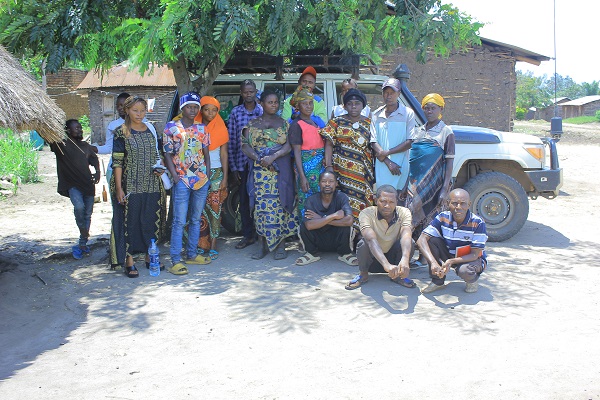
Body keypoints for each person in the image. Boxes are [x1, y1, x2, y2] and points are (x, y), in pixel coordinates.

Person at [112, 96, 167, 278]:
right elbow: (117, 162)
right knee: (131, 224)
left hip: (152, 184)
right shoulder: (121, 132)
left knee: (149, 222)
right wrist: (119, 189)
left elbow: (157, 154)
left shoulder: (150, 129)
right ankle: (129, 261)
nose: (139, 114)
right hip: (131, 186)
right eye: (135, 110)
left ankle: (149, 256)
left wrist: (159, 169)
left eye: (142, 110)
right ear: (127, 110)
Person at [242, 90, 299, 260]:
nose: (273, 105)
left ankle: (281, 245)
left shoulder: (284, 124)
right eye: (270, 102)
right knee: (261, 208)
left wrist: (273, 156)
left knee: (281, 204)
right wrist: (260, 159)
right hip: (260, 172)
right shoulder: (252, 124)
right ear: (261, 103)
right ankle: (262, 244)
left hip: (280, 169)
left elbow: (288, 146)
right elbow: (245, 146)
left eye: (276, 102)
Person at [163, 92, 212, 275]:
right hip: (182, 179)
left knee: (195, 218)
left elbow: (205, 151)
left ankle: (191, 254)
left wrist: (207, 172)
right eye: (189, 107)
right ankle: (175, 260)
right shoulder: (171, 128)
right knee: (179, 220)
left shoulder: (202, 128)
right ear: (182, 108)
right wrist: (175, 176)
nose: (193, 110)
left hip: (200, 179)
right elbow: (167, 153)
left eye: (195, 107)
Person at [407, 93, 455, 266]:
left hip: (434, 186)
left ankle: (424, 258)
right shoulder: (419, 131)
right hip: (416, 184)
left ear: (441, 109)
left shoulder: (446, 132)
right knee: (412, 218)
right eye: (426, 107)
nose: (429, 111)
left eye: (433, 108)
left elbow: (449, 162)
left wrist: (444, 189)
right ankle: (410, 255)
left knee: (429, 220)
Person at [321, 88, 375, 230]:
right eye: (350, 103)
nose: (353, 106)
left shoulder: (370, 123)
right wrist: (329, 166)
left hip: (363, 173)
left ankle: (360, 233)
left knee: (362, 201)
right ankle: (345, 235)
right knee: (344, 201)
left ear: (363, 106)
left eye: (357, 103)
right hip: (342, 172)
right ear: (344, 106)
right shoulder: (336, 122)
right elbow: (328, 144)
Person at [345, 184, 415, 290]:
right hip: (373, 261)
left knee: (411, 241)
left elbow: (406, 233)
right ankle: (363, 274)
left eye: (391, 202)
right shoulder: (366, 213)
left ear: (396, 202)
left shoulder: (404, 212)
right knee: (363, 243)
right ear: (376, 200)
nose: (387, 206)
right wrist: (386, 265)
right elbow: (370, 238)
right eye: (383, 201)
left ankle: (398, 276)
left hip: (394, 261)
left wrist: (405, 259)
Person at [417, 188, 487, 294]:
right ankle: (437, 281)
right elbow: (421, 239)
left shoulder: (478, 223)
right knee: (430, 240)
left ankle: (472, 280)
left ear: (469, 204)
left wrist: (451, 261)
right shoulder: (442, 217)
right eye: (454, 203)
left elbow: (474, 255)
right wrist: (433, 263)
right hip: (450, 254)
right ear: (447, 203)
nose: (458, 207)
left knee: (465, 271)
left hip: (470, 259)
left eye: (463, 203)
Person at [50, 119, 100, 259]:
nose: (80, 130)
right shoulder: (61, 145)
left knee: (88, 214)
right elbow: (48, 136)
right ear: (68, 131)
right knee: (79, 207)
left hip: (88, 185)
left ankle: (83, 243)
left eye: (80, 128)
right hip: (73, 185)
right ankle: (83, 230)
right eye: (76, 128)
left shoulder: (85, 146)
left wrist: (97, 172)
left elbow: (94, 160)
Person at [228, 79, 263, 250]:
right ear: (241, 93)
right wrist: (234, 168)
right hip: (242, 164)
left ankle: (262, 235)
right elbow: (232, 141)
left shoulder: (263, 110)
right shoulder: (236, 112)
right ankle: (247, 235)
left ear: (256, 91)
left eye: (251, 91)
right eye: (245, 92)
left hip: (262, 164)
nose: (248, 94)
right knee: (244, 201)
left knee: (262, 200)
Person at [296, 171, 356, 266]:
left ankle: (345, 254)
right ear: (319, 183)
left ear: (336, 183)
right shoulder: (311, 200)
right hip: (318, 240)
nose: (327, 184)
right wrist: (333, 216)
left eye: (331, 181)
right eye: (324, 181)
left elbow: (349, 221)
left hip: (337, 240)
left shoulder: (342, 197)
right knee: (303, 225)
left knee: (346, 226)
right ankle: (312, 254)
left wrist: (320, 218)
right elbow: (309, 225)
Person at [370, 78, 416, 202]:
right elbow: (373, 142)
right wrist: (388, 161)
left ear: (399, 94)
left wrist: (387, 153)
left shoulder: (407, 113)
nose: (388, 96)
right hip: (382, 167)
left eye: (392, 93)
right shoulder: (376, 114)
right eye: (385, 92)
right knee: (383, 202)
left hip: (400, 167)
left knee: (399, 202)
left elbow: (409, 142)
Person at [196, 96, 229, 259]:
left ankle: (214, 244)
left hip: (216, 172)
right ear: (201, 110)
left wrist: (225, 177)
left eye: (214, 110)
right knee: (199, 210)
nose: (210, 113)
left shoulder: (221, 128)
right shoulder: (195, 127)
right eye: (206, 109)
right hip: (198, 173)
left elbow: (224, 154)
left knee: (215, 210)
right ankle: (202, 244)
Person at [288, 86, 325, 215]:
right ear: (298, 106)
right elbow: (297, 153)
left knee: (320, 200)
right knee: (307, 201)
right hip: (306, 170)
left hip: (319, 169)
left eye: (310, 103)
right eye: (304, 104)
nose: (308, 106)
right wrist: (302, 177)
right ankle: (307, 231)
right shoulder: (296, 125)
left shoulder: (316, 123)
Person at [91, 92, 129, 183]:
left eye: (122, 105)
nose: (119, 108)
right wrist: (91, 148)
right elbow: (109, 148)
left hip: (134, 171)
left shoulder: (143, 125)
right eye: (117, 106)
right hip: (114, 169)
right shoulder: (113, 125)